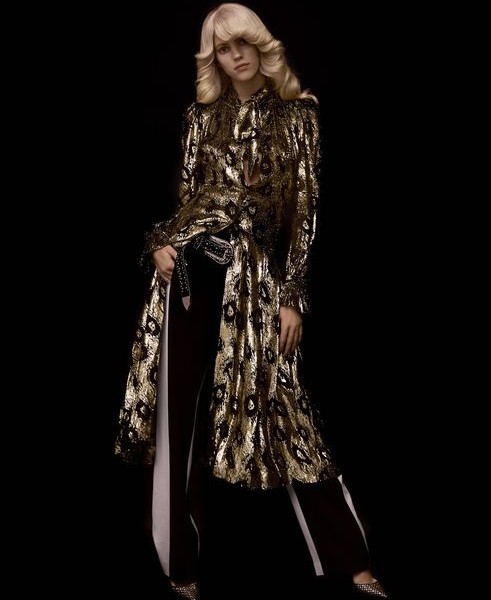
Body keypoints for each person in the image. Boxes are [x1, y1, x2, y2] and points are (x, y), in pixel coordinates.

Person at [114, 3, 389, 599]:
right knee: (179, 416)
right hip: (188, 276)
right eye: (222, 48)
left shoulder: (298, 115)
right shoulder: (200, 117)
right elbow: (187, 199)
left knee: (284, 405)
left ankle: (352, 561)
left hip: (253, 280)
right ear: (212, 57)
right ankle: (179, 566)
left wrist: (292, 298)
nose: (235, 55)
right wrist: (159, 244)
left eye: (242, 42)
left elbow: (304, 214)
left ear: (261, 44)